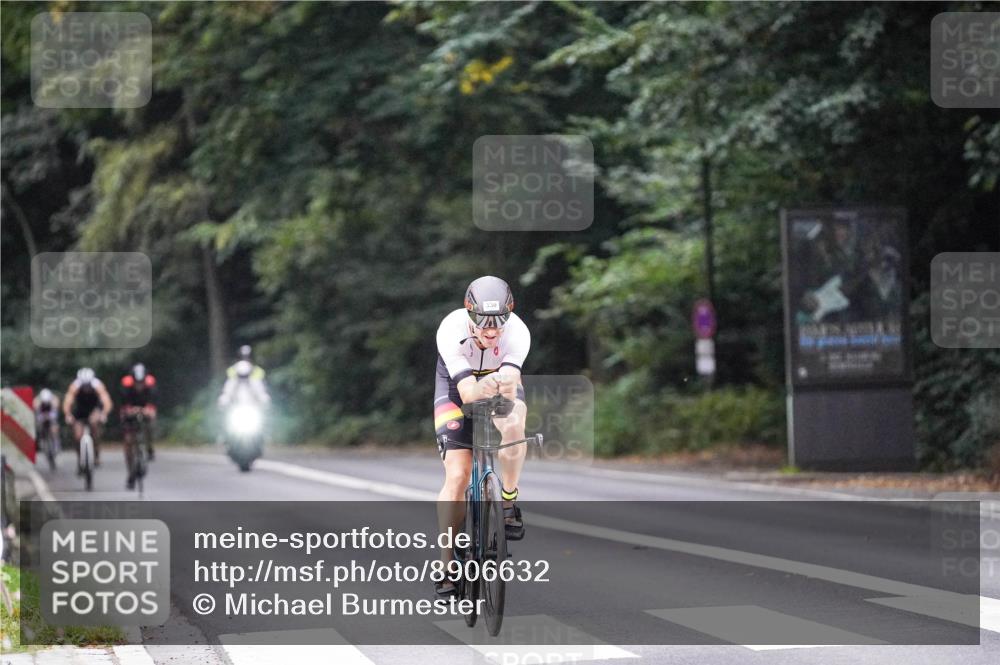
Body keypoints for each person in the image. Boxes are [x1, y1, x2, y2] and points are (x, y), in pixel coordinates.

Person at [433, 276, 530, 600]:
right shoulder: (450, 329)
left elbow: (512, 382)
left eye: (499, 322)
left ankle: (508, 500)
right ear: (469, 314)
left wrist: (504, 392)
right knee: (458, 475)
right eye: (483, 322)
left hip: (499, 379)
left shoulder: (518, 332)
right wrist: (481, 389)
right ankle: (447, 564)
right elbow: (467, 393)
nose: (491, 331)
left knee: (514, 424)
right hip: (456, 386)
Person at [62, 368, 113, 470]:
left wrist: (104, 414)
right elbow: (68, 401)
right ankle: (80, 459)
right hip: (80, 412)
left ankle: (96, 454)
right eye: (84, 386)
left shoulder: (97, 385)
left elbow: (107, 401)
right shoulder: (75, 386)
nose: (86, 388)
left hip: (94, 410)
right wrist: (68, 414)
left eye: (88, 385)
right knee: (77, 436)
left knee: (95, 427)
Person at [120, 363, 157, 488]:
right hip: (130, 410)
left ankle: (150, 446)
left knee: (151, 421)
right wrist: (128, 410)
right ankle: (130, 471)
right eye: (137, 383)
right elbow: (123, 403)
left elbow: (153, 401)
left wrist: (149, 410)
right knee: (128, 441)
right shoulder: (126, 385)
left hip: (145, 408)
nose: (139, 385)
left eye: (141, 383)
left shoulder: (150, 384)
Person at [33, 388, 60, 458]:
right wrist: (42, 418)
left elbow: (55, 412)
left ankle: (56, 443)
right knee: (39, 426)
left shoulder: (54, 400)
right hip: (41, 414)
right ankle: (41, 439)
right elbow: (37, 413)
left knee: (54, 427)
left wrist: (49, 416)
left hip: (51, 414)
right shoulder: (36, 401)